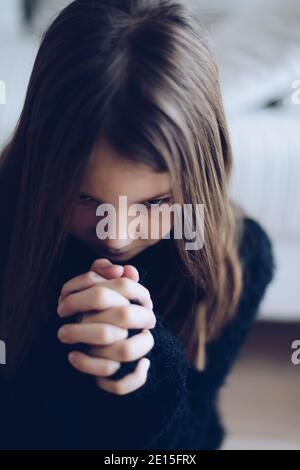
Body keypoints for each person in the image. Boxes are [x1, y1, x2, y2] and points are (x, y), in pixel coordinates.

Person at [0, 0, 274, 450]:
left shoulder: (239, 257)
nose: (117, 236)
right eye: (84, 196)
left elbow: (196, 441)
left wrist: (147, 372)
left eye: (156, 202)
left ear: (200, 177)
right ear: (40, 163)